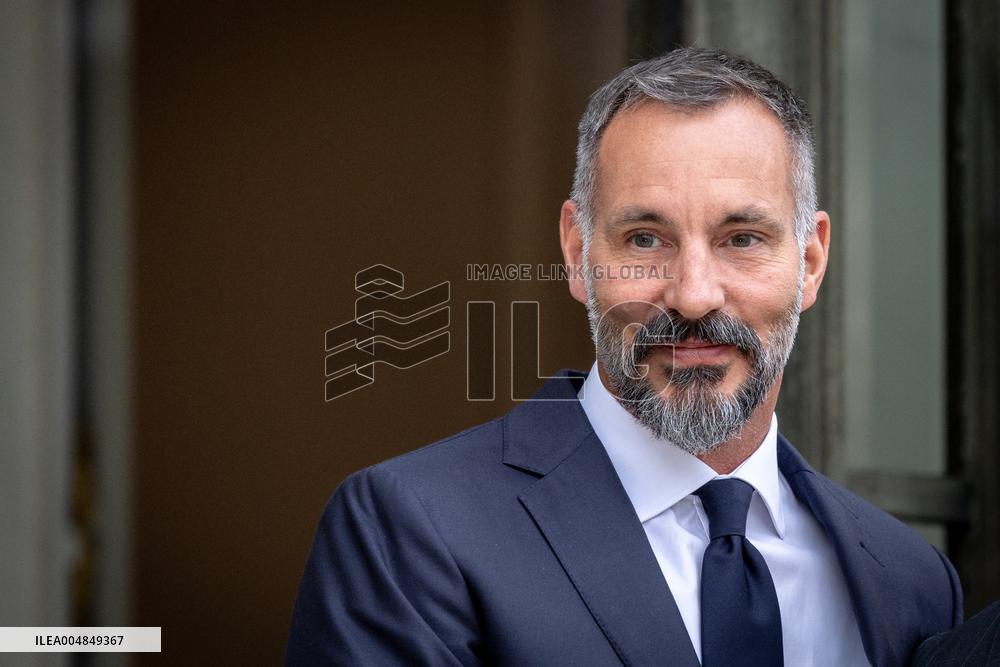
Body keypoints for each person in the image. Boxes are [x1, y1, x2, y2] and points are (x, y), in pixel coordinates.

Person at [287, 48, 962, 666]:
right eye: (644, 239)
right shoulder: (411, 530)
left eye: (742, 237)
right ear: (578, 253)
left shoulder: (911, 581)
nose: (694, 295)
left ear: (809, 264)